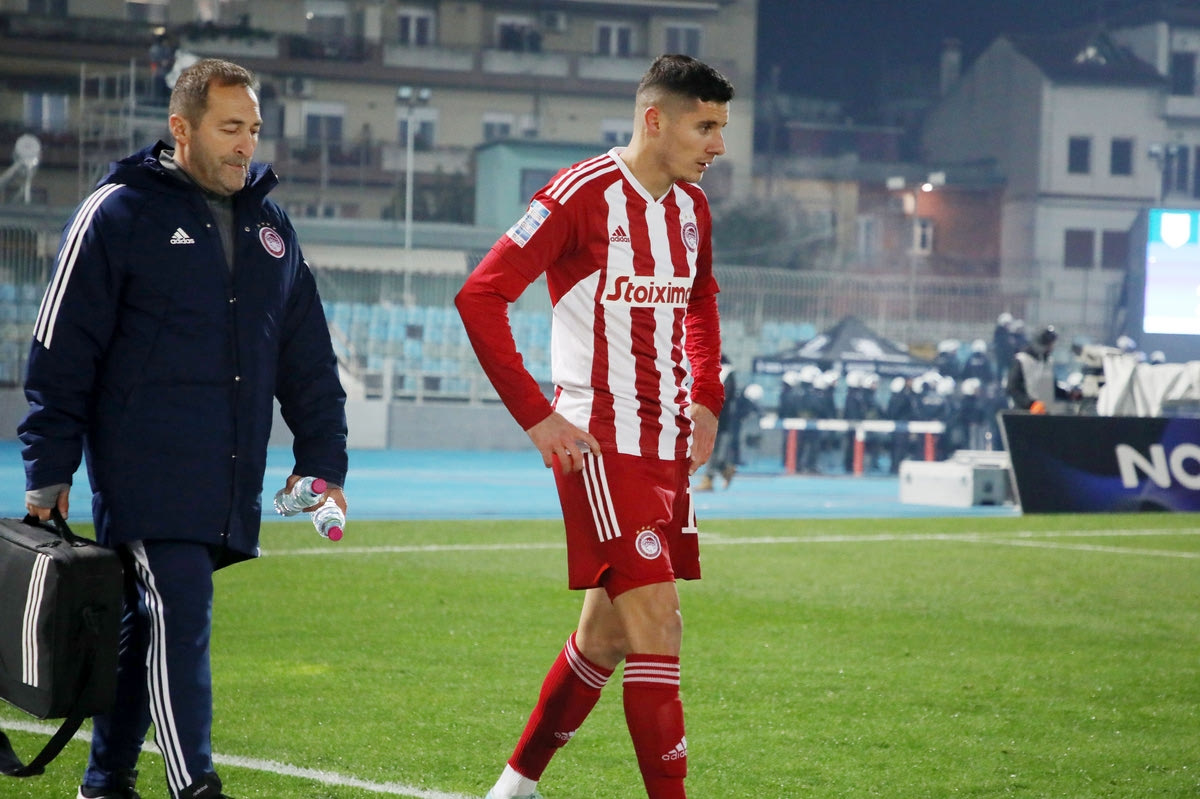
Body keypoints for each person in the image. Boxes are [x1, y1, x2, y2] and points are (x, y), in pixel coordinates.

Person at [18, 58, 348, 799]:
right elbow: (60, 348)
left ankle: (105, 783)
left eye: (253, 129)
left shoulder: (271, 226)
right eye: (230, 128)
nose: (246, 144)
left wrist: (323, 460)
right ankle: (195, 784)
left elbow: (308, 358)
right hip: (144, 469)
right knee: (181, 612)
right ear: (182, 128)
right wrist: (49, 464)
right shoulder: (117, 212)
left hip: (227, 474)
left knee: (147, 626)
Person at [455, 53, 734, 799]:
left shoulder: (692, 208)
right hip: (602, 446)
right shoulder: (580, 195)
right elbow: (480, 296)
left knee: (605, 637)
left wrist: (707, 396)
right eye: (705, 127)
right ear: (655, 120)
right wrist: (539, 417)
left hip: (668, 447)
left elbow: (701, 300)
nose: (718, 145)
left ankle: (513, 788)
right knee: (660, 625)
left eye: (721, 128)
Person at [1006, 324, 1074, 413]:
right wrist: (1030, 404)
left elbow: (1051, 387)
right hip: (1024, 412)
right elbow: (1013, 388)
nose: (1052, 348)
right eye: (1049, 344)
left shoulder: (1047, 362)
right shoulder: (1022, 360)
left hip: (1044, 411)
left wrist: (1069, 395)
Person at [697, 355, 738, 491]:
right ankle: (724, 470)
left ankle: (709, 479)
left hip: (722, 420)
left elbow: (726, 397)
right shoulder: (713, 373)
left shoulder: (727, 374)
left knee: (714, 452)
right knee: (711, 451)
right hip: (711, 417)